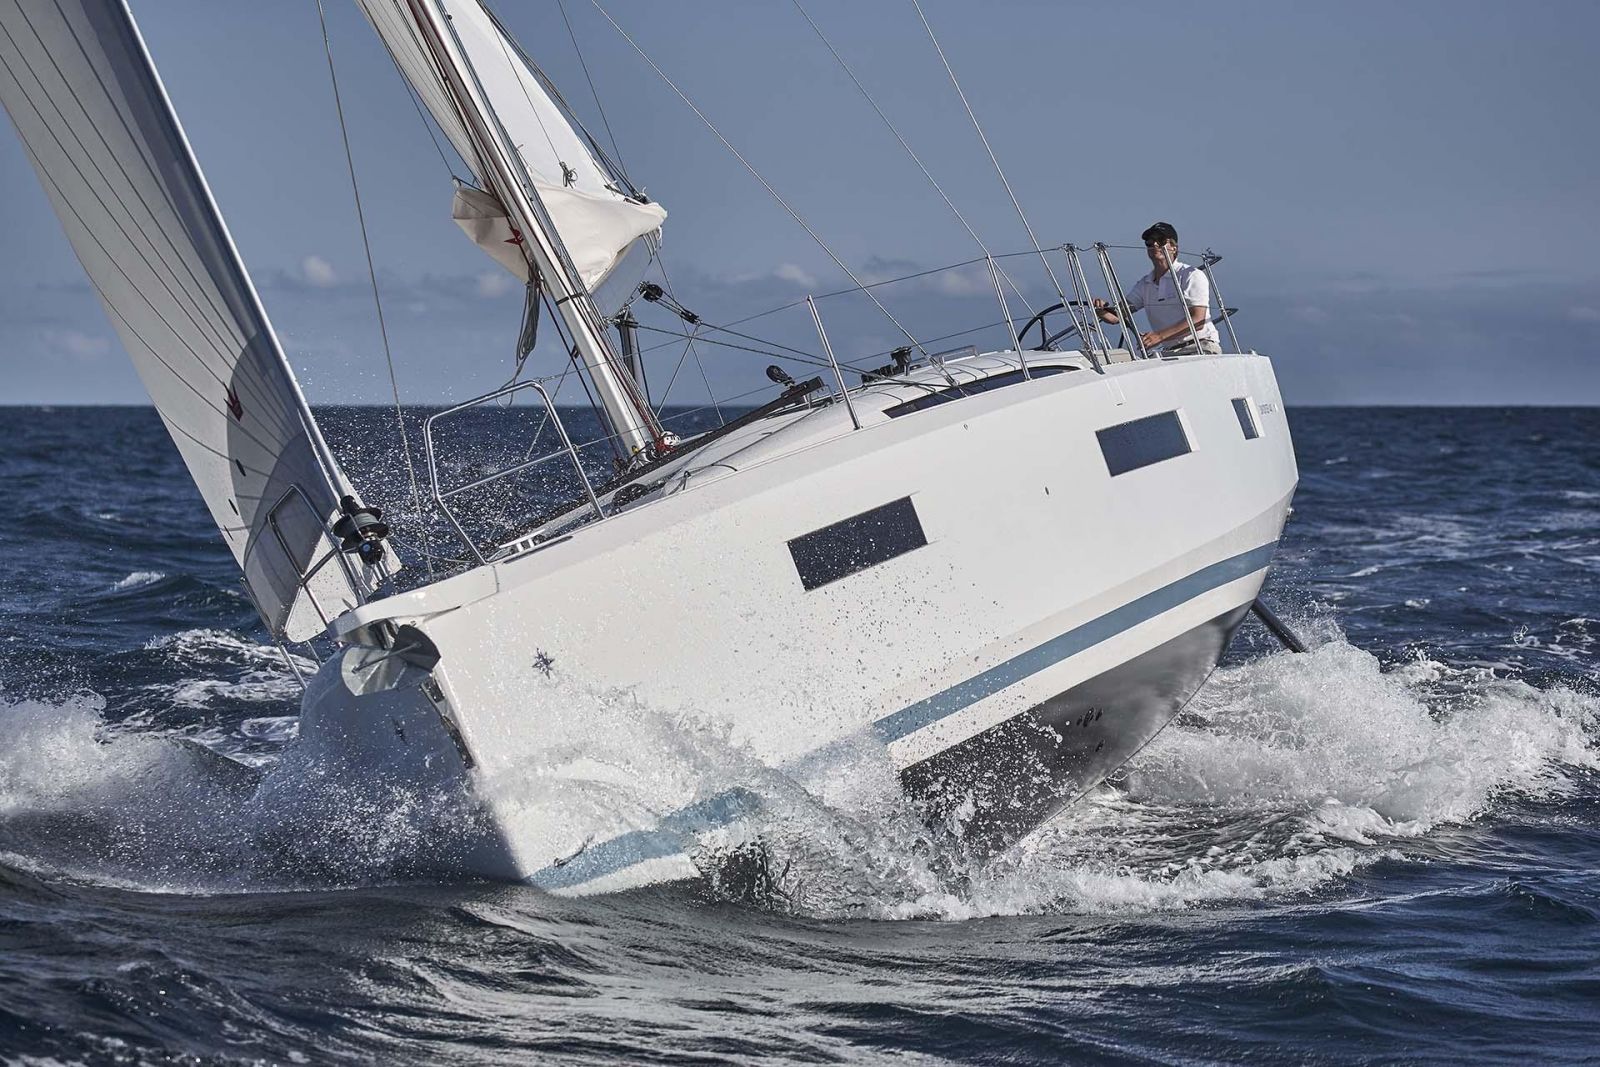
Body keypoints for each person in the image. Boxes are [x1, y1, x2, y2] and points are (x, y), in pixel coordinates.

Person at [1093, 222, 1221, 355]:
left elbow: (1198, 320)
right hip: (1170, 353)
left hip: (1200, 348)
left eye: (1160, 241)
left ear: (1173, 247)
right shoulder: (1145, 284)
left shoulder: (1190, 275)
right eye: (1149, 242)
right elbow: (1117, 316)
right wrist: (1101, 310)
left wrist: (1158, 336)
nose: (1154, 244)